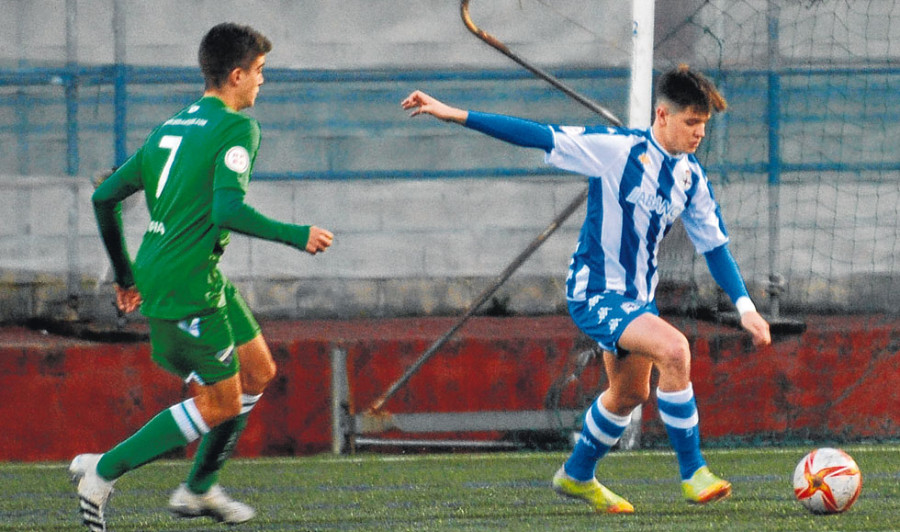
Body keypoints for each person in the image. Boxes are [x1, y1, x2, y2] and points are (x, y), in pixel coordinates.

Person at [401, 64, 771, 514]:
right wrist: (453, 113)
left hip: (638, 300)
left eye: (704, 125)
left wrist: (746, 306)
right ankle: (694, 473)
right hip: (595, 292)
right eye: (691, 123)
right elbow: (537, 134)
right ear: (662, 116)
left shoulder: (691, 179)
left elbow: (715, 247)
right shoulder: (615, 151)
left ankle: (576, 475)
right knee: (675, 351)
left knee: (631, 394)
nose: (699, 134)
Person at [70, 22, 334, 531]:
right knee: (219, 403)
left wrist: (126, 277)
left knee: (258, 371)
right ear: (236, 76)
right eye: (259, 73)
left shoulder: (170, 126)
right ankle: (102, 471)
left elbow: (104, 198)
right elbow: (227, 210)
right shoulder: (238, 128)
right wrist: (295, 233)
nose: (262, 82)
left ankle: (198, 489)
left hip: (182, 271)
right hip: (187, 284)